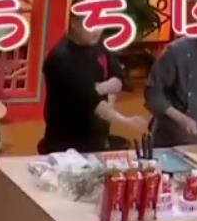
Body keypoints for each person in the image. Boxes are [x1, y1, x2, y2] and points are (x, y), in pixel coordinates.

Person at [38, 10, 150, 153]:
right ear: (74, 23)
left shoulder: (100, 44)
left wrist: (100, 88)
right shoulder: (61, 57)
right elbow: (90, 101)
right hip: (67, 139)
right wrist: (125, 121)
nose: (98, 30)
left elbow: (118, 79)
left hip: (98, 135)